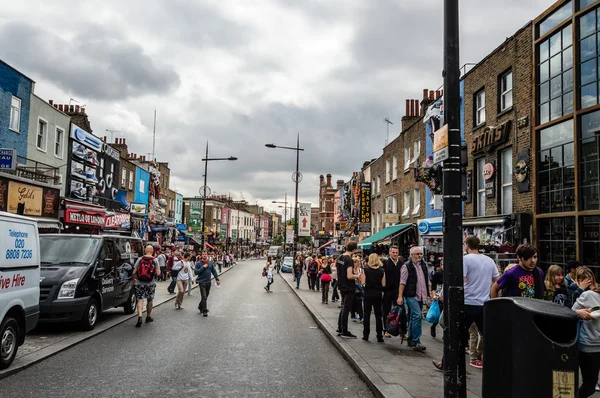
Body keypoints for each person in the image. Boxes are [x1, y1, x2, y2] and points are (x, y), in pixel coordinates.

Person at [571, 276, 600, 398]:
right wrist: (579, 313)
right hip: (590, 345)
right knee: (589, 387)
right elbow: (568, 312)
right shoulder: (589, 295)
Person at [397, 246, 430, 351]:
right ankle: (417, 341)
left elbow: (427, 280)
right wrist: (400, 296)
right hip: (411, 295)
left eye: (420, 253)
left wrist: (429, 293)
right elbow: (402, 282)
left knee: (412, 317)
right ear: (411, 255)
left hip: (421, 294)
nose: (419, 256)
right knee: (417, 315)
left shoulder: (423, 265)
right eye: (417, 254)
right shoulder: (406, 266)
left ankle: (410, 339)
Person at [132, 245, 161, 327]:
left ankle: (140, 316)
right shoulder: (154, 260)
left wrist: (133, 279)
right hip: (150, 283)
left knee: (140, 299)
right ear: (152, 251)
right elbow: (158, 273)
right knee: (150, 299)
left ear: (145, 250)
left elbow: (134, 271)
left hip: (139, 283)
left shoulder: (140, 259)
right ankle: (148, 316)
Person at [337, 241, 360, 338]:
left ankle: (340, 327)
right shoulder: (349, 260)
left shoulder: (340, 258)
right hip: (349, 286)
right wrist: (357, 276)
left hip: (341, 285)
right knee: (347, 308)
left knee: (344, 307)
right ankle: (344, 329)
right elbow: (349, 275)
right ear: (354, 249)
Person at [361, 253, 386, 342]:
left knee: (367, 315)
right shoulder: (382, 271)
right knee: (378, 315)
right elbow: (384, 284)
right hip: (378, 294)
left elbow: (363, 282)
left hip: (368, 293)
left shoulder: (365, 270)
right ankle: (379, 336)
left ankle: (366, 335)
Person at [382, 246, 402, 338]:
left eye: (396, 252)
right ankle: (387, 329)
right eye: (393, 252)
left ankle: (402, 330)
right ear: (390, 253)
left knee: (400, 309)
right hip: (387, 290)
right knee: (386, 309)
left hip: (398, 290)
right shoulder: (385, 263)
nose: (395, 254)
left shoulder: (401, 263)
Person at [195, 251, 221, 317]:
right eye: (203, 254)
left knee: (206, 296)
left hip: (208, 282)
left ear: (207, 255)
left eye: (205, 254)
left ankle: (200, 306)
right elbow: (196, 272)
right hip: (201, 282)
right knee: (204, 296)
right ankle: (204, 310)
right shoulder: (198, 263)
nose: (204, 255)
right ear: (201, 255)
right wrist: (203, 267)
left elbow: (214, 271)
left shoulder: (210, 263)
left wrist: (217, 279)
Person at [429, 259, 444, 338]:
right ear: (441, 265)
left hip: (448, 296)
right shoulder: (437, 274)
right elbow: (433, 286)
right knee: (438, 315)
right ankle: (434, 326)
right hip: (439, 296)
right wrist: (434, 295)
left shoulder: (452, 273)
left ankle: (445, 332)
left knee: (445, 316)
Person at [351, 257, 364, 323]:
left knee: (359, 303)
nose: (359, 263)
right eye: (357, 262)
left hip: (359, 288)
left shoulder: (360, 270)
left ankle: (361, 316)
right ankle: (353, 315)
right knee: (353, 303)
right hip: (352, 288)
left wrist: (356, 277)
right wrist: (356, 277)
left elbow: (361, 279)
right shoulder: (351, 270)